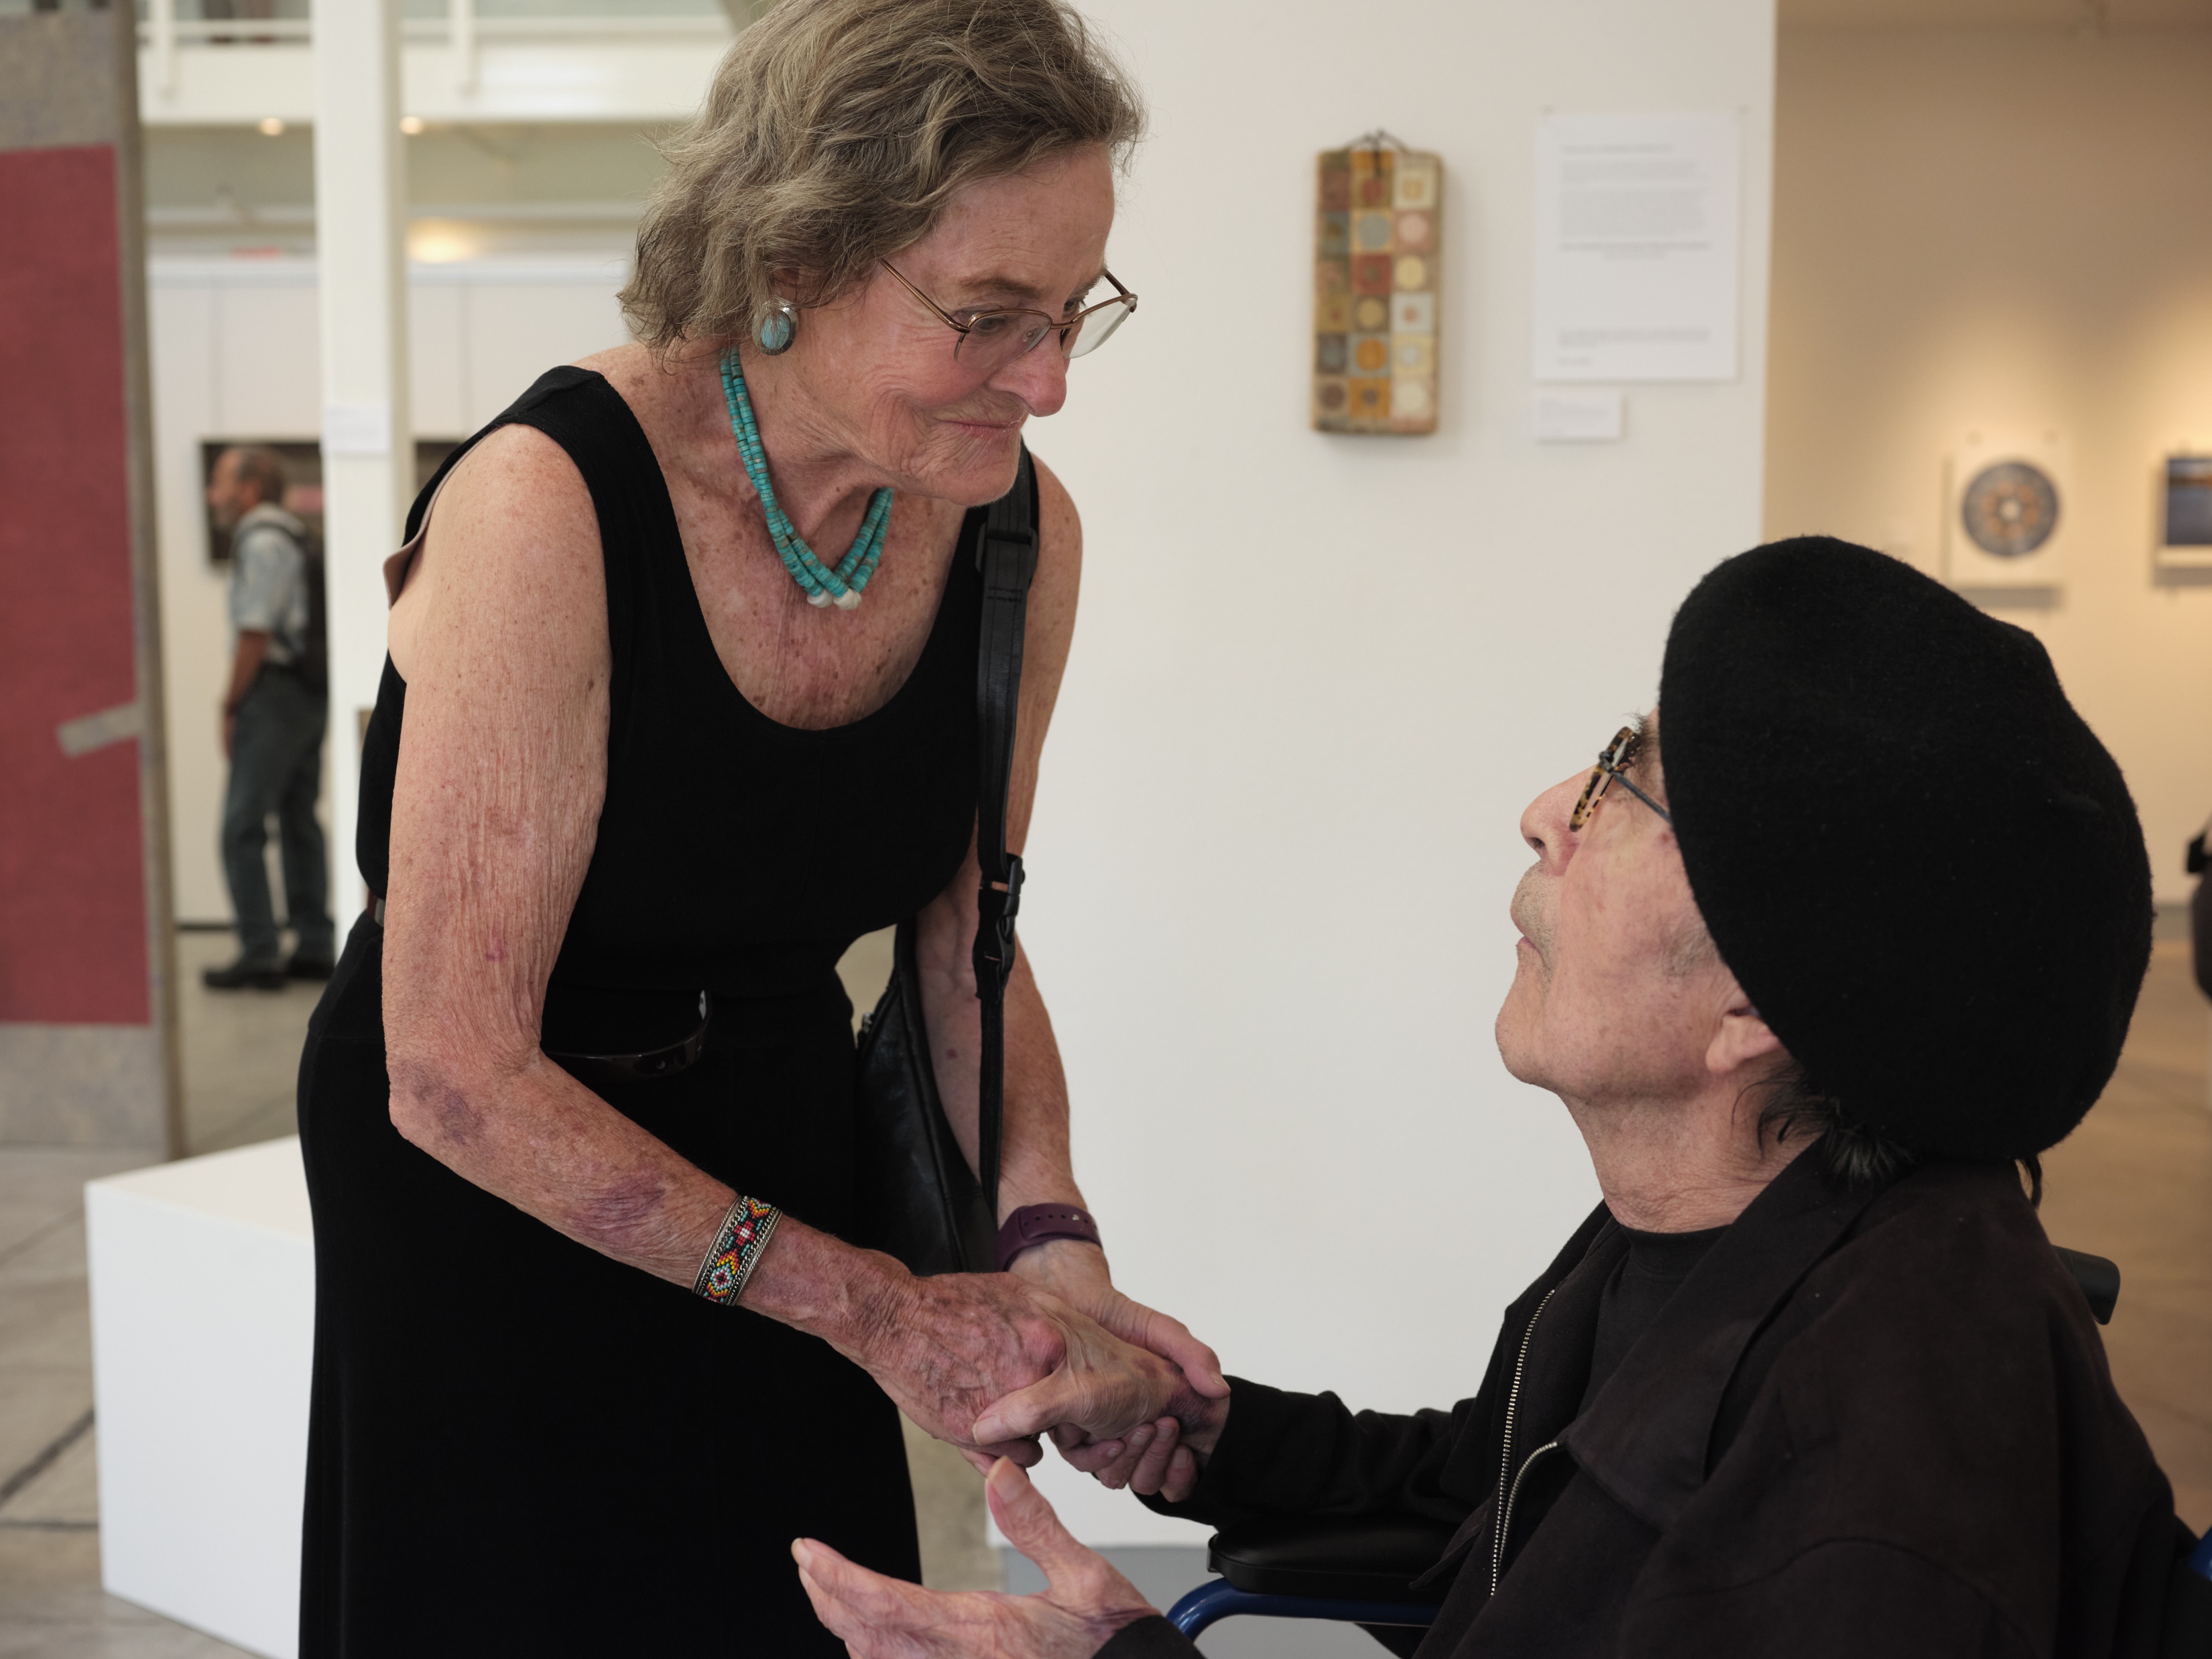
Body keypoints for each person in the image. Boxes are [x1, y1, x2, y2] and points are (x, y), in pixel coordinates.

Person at [794, 537, 2193, 1659]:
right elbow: (1492, 1486)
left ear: (1756, 1010)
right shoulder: (1725, 1220)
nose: (1544, 807)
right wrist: (1197, 1420)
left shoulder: (1868, 1491)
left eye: (1620, 786)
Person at [292, 2, 1221, 1653]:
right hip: (490, 1188)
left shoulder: (1011, 532)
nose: (1051, 383)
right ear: (792, 257)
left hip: (784, 1145)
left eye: (1077, 313)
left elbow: (962, 948)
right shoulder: (549, 503)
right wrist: (870, 1304)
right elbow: (446, 1062)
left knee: (796, 1603)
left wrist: (1047, 1240)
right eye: (989, 316)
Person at [202, 444, 334, 989]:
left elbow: (255, 630)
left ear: (250, 489)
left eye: (220, 483)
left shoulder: (259, 539)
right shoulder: (300, 536)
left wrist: (230, 703)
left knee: (241, 826)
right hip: (310, 693)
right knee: (299, 820)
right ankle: (313, 943)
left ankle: (259, 950)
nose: (213, 496)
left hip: (274, 694)